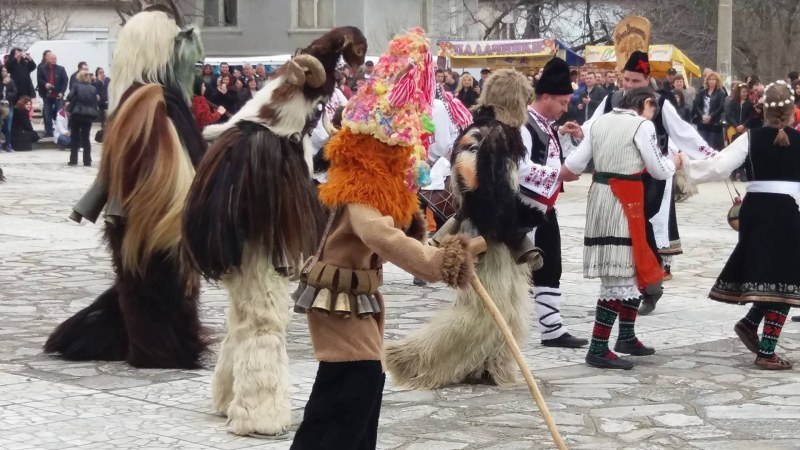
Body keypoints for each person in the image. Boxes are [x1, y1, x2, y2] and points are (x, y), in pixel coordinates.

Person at [289, 29, 477, 447]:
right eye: (398, 151)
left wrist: (432, 237)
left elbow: (398, 227)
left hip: (355, 299)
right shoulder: (360, 189)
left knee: (362, 386)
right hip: (338, 300)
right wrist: (436, 263)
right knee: (347, 389)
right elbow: (380, 235)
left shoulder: (375, 187)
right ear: (376, 150)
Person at [182, 27, 370, 439]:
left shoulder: (255, 125)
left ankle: (228, 391)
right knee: (265, 314)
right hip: (253, 232)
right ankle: (257, 408)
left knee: (246, 309)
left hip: (232, 227)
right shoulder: (270, 142)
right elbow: (282, 191)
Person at [45, 7, 208, 370]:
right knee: (154, 289)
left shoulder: (145, 101)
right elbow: (156, 170)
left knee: (148, 287)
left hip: (150, 224)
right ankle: (158, 349)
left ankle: (135, 339)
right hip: (152, 226)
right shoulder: (149, 103)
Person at [385, 68, 545, 390]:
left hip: (496, 232)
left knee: (509, 309)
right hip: (486, 233)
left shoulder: (493, 135)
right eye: (524, 103)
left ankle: (491, 366)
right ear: (513, 102)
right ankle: (414, 358)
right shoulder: (484, 138)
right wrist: (497, 230)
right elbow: (479, 195)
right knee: (482, 312)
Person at [584, 50, 717, 314]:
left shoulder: (660, 102)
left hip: (650, 177)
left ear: (646, 79)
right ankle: (627, 289)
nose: (629, 86)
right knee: (622, 231)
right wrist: (579, 132)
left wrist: (711, 155)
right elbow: (592, 126)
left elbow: (683, 133)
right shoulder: (613, 100)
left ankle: (649, 287)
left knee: (641, 230)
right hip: (617, 178)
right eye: (626, 80)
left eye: (635, 81)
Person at [681, 80, 799, 369]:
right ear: (793, 111)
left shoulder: (750, 138)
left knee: (772, 275)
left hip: (756, 211)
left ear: (762, 110)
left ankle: (750, 323)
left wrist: (686, 168)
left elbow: (719, 166)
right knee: (785, 280)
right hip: (788, 211)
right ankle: (767, 351)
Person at [564, 87, 680, 369]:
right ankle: (598, 347)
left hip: (602, 197)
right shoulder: (642, 125)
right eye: (654, 109)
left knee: (630, 265)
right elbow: (659, 170)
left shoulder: (600, 121)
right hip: (624, 199)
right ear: (648, 103)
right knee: (619, 273)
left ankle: (626, 336)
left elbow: (575, 164)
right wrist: (674, 162)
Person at [516, 57, 588, 348]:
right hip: (523, 210)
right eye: (561, 101)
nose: (565, 107)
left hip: (545, 208)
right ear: (544, 96)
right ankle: (504, 327)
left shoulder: (545, 125)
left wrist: (561, 135)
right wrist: (560, 174)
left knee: (551, 265)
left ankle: (552, 328)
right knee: (519, 271)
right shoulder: (524, 125)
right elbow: (520, 169)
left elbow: (546, 156)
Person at [65, 71, 98, 166]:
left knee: (75, 137)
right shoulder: (93, 88)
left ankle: (73, 159)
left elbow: (69, 97)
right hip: (88, 115)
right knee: (86, 137)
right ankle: (87, 160)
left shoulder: (76, 86)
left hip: (77, 114)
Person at [36, 51, 68, 138]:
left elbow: (65, 81)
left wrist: (62, 92)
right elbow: (39, 79)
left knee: (59, 114)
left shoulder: (61, 69)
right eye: (52, 59)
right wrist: (45, 84)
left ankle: (60, 130)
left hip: (58, 95)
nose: (54, 60)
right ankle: (49, 131)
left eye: (55, 59)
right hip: (47, 95)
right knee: (47, 113)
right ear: (47, 59)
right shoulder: (42, 68)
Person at [692, 71, 726, 150]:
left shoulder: (721, 93)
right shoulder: (702, 92)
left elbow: (721, 107)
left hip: (714, 124)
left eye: (713, 79)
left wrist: (710, 116)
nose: (711, 81)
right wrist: (702, 115)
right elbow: (697, 105)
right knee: (703, 147)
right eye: (710, 79)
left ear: (717, 81)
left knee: (713, 147)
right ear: (707, 81)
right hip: (702, 123)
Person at [1, 69, 17, 151]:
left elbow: (14, 92)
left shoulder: (11, 82)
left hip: (8, 105)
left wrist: (7, 95)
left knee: (8, 126)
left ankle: (8, 144)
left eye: (5, 71)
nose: (4, 73)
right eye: (2, 71)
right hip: (0, 106)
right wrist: (3, 84)